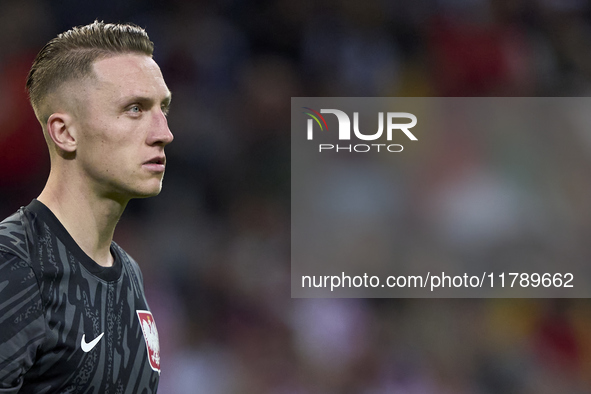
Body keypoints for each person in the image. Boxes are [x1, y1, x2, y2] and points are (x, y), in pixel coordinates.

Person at [0, 21, 173, 393]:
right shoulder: (13, 264)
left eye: (163, 108)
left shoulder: (129, 275)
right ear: (65, 132)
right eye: (134, 109)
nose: (163, 132)